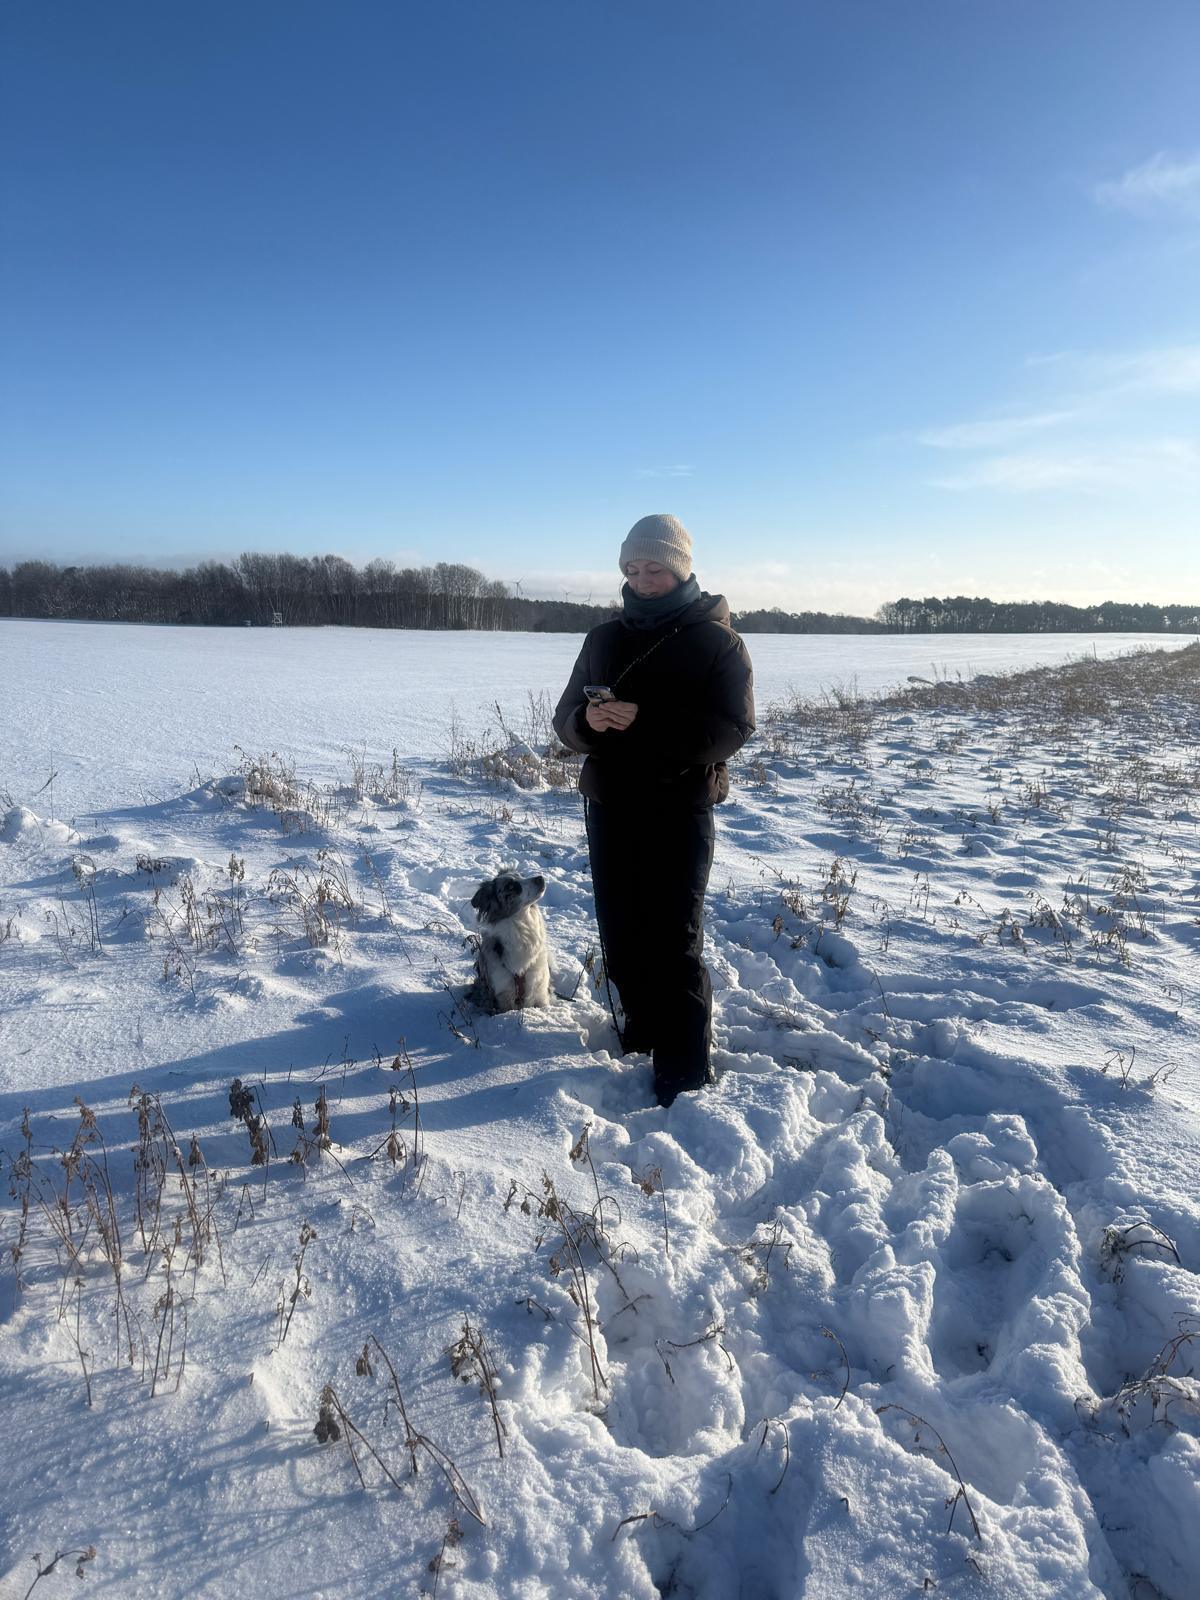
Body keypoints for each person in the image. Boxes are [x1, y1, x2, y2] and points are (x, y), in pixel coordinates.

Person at [553, 514, 755, 1107]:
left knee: (674, 939)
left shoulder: (719, 641)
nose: (643, 580)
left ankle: (685, 1069)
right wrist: (586, 722)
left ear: (681, 568)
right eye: (633, 569)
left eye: (656, 569)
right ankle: (640, 1033)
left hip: (679, 810)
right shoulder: (602, 638)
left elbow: (732, 730)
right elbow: (565, 721)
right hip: (611, 805)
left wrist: (647, 721)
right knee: (621, 931)